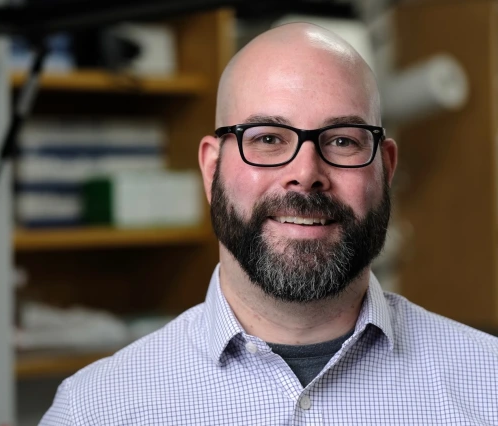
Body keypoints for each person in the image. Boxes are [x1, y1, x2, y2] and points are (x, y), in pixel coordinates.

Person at [40, 23, 498, 425]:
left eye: (341, 140)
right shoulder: (95, 410)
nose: (306, 172)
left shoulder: (488, 389)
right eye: (268, 139)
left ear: (386, 169)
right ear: (211, 169)